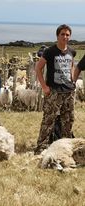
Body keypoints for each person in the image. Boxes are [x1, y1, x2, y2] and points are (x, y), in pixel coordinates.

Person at [34, 24, 76, 154]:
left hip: (68, 91)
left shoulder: (71, 51)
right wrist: (44, 87)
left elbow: (72, 65)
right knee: (49, 119)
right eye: (62, 34)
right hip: (54, 91)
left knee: (68, 119)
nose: (65, 37)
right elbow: (38, 68)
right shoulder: (50, 51)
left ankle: (66, 146)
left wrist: (72, 81)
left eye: (67, 34)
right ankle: (41, 147)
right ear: (57, 36)